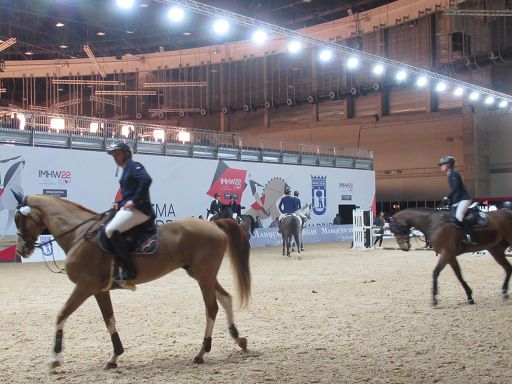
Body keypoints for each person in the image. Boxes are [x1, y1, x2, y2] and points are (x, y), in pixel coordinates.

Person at [106, 140, 156, 282]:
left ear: (126, 154)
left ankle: (129, 269)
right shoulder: (126, 170)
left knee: (110, 230)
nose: (114, 156)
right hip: (130, 209)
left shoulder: (134, 166)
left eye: (117, 153)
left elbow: (146, 180)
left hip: (141, 210)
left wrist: (135, 201)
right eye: (113, 154)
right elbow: (127, 196)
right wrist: (118, 203)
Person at [438, 155, 475, 244]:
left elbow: (456, 188)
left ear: (448, 165)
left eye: (443, 165)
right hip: (459, 200)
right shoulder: (450, 174)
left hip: (464, 199)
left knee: (459, 216)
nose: (441, 167)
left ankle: (471, 237)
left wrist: (447, 197)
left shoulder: (454, 173)